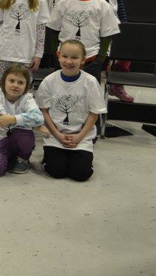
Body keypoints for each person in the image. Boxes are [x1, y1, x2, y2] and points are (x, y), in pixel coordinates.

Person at [37, 40, 106, 182]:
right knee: (56, 171)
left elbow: (94, 113)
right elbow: (44, 111)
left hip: (81, 136)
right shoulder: (49, 81)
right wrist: (57, 134)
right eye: (65, 56)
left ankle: (76, 157)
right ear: (58, 56)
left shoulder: (91, 82)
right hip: (56, 136)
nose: (69, 61)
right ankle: (53, 158)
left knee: (81, 174)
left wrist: (80, 136)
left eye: (74, 57)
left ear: (83, 60)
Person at [47, 0, 120, 82]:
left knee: (88, 96)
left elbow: (107, 34)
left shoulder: (102, 5)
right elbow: (54, 29)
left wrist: (100, 58)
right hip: (65, 59)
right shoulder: (64, 3)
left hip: (91, 59)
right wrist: (56, 52)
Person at [0, 65, 45, 176]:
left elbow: (39, 118)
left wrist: (13, 119)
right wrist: (31, 124)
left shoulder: (27, 97)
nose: (15, 85)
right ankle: (7, 155)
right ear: (3, 82)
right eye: (11, 81)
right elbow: (0, 118)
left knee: (23, 135)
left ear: (26, 86)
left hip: (18, 137)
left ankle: (23, 157)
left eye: (20, 83)